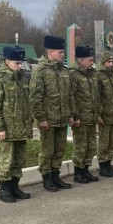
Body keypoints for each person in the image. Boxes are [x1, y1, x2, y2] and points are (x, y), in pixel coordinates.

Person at [0, 45, 33, 203]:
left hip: (21, 127)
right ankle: (4, 190)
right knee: (6, 160)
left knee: (19, 159)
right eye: (17, 63)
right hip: (7, 127)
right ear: (7, 62)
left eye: (21, 63)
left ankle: (15, 187)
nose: (20, 66)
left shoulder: (22, 78)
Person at [30, 35, 74, 192]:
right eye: (60, 52)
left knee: (59, 149)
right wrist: (41, 118)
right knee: (47, 151)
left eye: (63, 52)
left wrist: (70, 115)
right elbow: (35, 97)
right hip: (48, 120)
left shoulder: (63, 71)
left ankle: (56, 175)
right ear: (50, 52)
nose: (63, 55)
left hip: (62, 118)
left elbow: (69, 95)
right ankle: (46, 177)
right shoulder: (41, 71)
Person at [69, 45, 102, 183]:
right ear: (81, 60)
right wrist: (74, 116)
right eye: (89, 60)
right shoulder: (73, 74)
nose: (92, 62)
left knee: (90, 146)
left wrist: (97, 114)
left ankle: (86, 170)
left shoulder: (93, 73)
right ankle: (78, 172)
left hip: (91, 117)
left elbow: (96, 96)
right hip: (81, 118)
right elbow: (71, 96)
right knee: (80, 146)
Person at [95, 51, 113, 177]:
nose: (111, 64)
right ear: (103, 63)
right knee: (104, 142)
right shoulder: (99, 76)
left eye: (112, 62)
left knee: (112, 142)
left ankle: (108, 164)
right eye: (108, 62)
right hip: (105, 115)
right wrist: (99, 114)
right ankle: (102, 165)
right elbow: (97, 97)